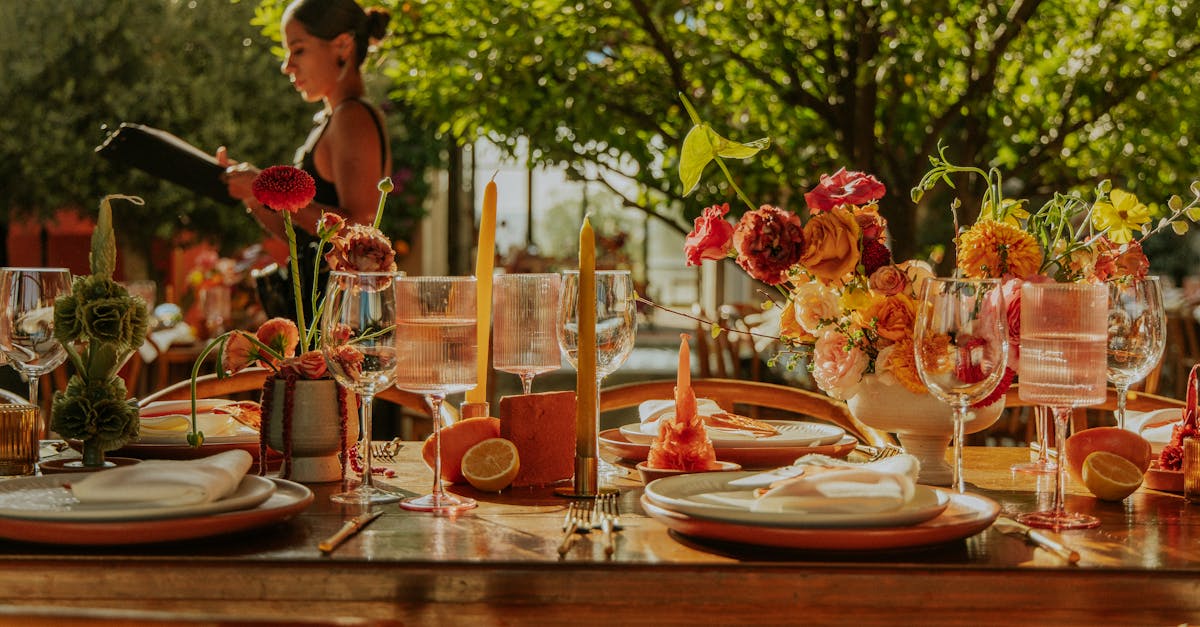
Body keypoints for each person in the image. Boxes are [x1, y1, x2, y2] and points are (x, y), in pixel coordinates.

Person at [217, 0, 392, 318]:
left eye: (298, 50)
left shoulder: (352, 116)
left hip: (346, 321)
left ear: (342, 45)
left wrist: (272, 192)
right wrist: (256, 196)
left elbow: (361, 232)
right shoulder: (332, 118)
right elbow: (304, 234)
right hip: (324, 313)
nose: (286, 66)